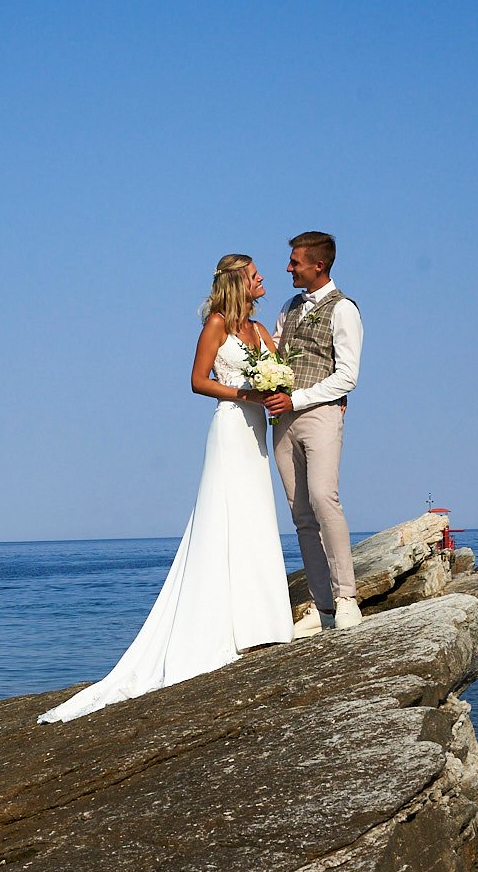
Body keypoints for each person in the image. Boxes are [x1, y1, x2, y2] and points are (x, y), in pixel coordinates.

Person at [39, 254, 293, 723]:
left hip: (258, 427)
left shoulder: (260, 331)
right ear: (238, 281)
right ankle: (221, 625)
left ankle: (261, 622)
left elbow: (279, 372)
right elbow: (198, 381)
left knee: (256, 517)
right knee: (223, 514)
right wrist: (245, 394)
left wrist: (276, 391)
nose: (264, 281)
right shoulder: (216, 325)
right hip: (232, 425)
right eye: (256, 275)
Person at [265, 230, 363, 636]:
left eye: (295, 262)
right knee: (301, 513)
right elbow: (273, 349)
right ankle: (322, 606)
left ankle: (346, 599)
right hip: (283, 421)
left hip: (320, 415)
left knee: (325, 498)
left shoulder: (345, 310)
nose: (289, 268)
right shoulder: (289, 307)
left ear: (318, 265)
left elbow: (348, 376)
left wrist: (298, 399)